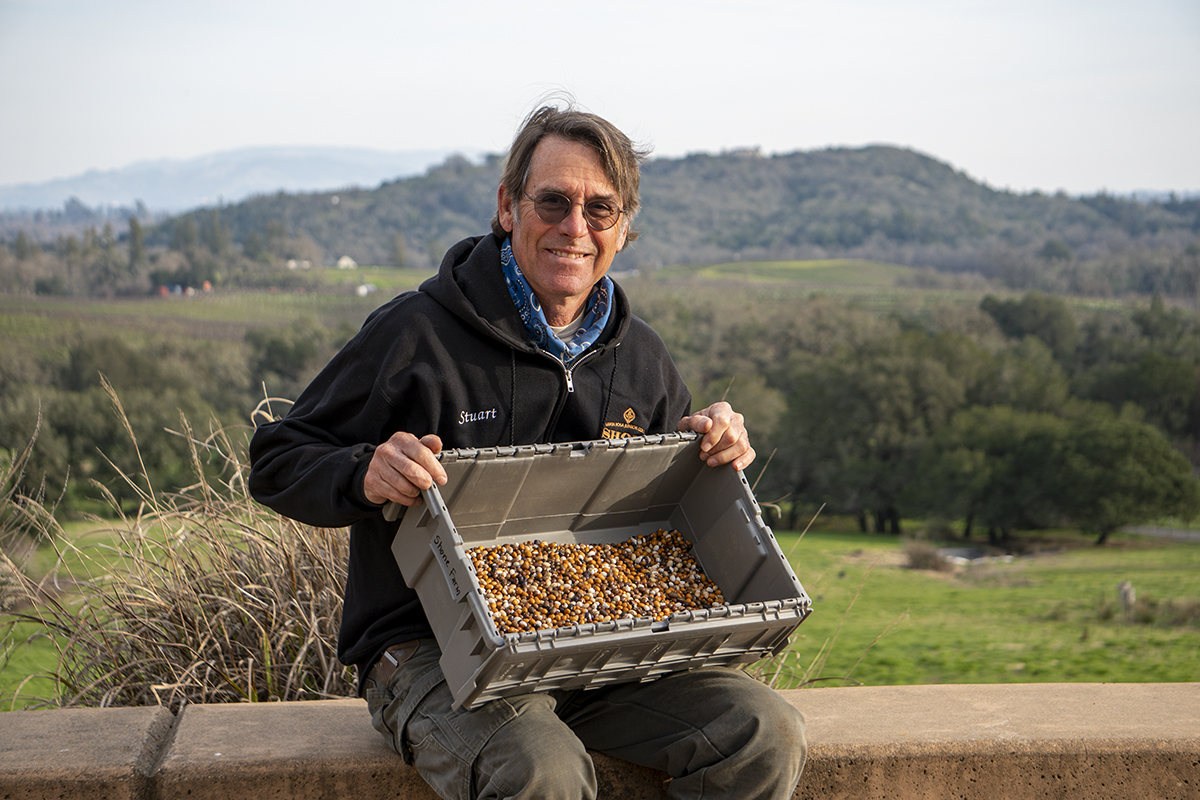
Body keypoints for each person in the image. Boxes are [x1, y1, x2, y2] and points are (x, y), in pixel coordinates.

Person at [248, 104, 807, 800]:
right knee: (541, 769)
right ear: (508, 207)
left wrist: (707, 450)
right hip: (433, 654)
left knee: (762, 732)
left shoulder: (642, 361)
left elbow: (667, 525)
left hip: (603, 654)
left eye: (601, 210)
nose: (576, 227)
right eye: (553, 201)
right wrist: (365, 472)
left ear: (625, 230)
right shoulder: (417, 335)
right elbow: (276, 458)